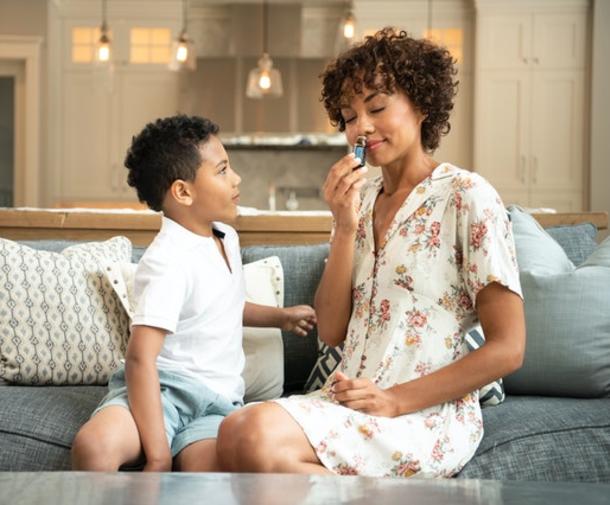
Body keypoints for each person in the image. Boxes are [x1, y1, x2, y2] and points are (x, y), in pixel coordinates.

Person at [216, 28, 526, 477]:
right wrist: (344, 226)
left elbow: (509, 348)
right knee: (233, 436)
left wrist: (395, 399)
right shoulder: (361, 202)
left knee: (253, 435)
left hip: (421, 414)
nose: (360, 127)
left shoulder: (466, 196)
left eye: (377, 108)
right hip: (349, 401)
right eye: (348, 116)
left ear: (422, 104)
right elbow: (334, 329)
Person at [71, 115, 316, 472]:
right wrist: (158, 457)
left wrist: (280, 317)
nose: (237, 179)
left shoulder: (224, 236)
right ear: (183, 192)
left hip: (217, 403)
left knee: (210, 478)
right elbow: (141, 359)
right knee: (94, 447)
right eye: (222, 171)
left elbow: (221, 305)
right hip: (162, 393)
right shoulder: (168, 260)